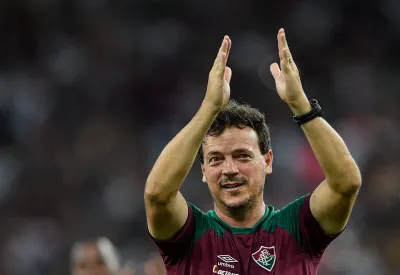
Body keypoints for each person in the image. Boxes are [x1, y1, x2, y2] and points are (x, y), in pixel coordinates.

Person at [144, 28, 362, 275]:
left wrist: (300, 104)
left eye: (242, 156)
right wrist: (209, 108)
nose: (229, 169)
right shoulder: (189, 234)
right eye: (216, 159)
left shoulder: (298, 228)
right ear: (203, 170)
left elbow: (346, 183)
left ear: (267, 161)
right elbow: (157, 195)